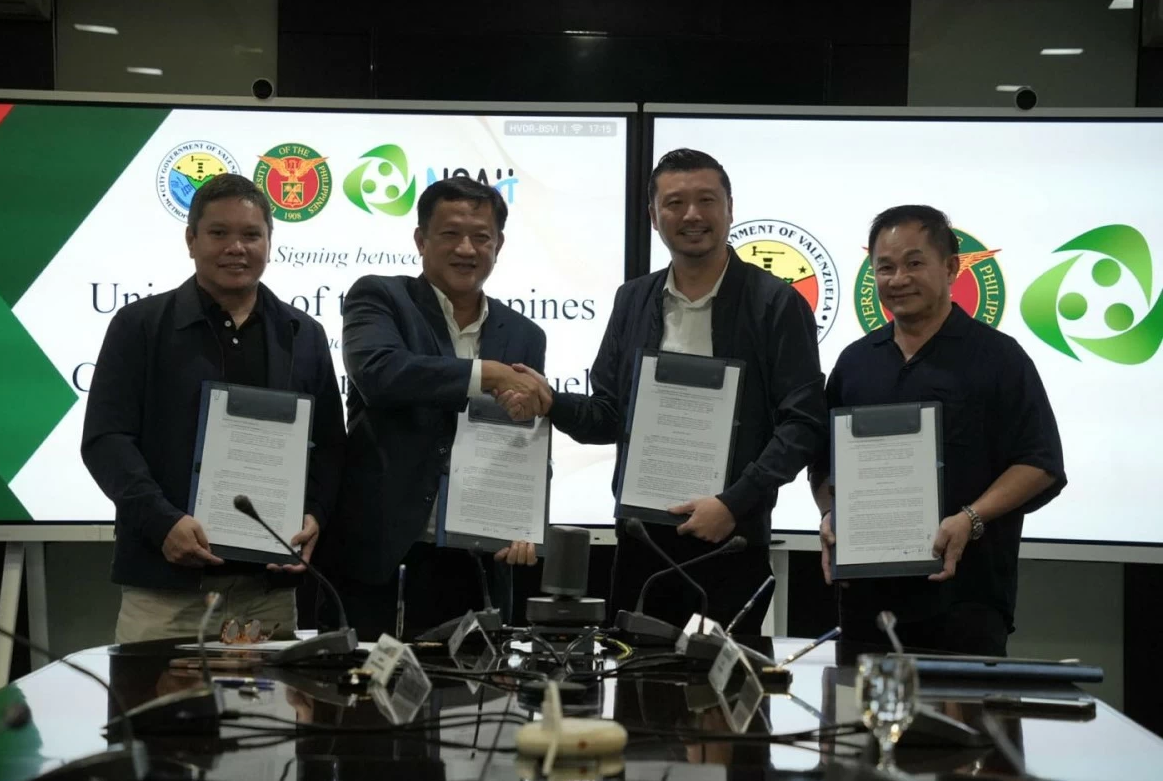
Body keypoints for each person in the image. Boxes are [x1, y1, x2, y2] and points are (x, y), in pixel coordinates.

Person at [500, 149, 828, 633]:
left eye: (706, 200)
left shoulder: (775, 304)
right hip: (642, 544)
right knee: (635, 693)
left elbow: (803, 423)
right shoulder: (633, 299)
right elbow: (610, 414)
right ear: (654, 216)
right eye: (675, 203)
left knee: (725, 701)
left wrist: (733, 503)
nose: (692, 215)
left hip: (731, 540)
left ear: (730, 208)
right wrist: (553, 401)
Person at [81, 174, 345, 643]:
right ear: (191, 240)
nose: (236, 248)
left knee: (266, 718)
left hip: (269, 592)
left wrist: (315, 516)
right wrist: (164, 522)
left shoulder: (303, 334)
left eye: (251, 235)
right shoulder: (140, 326)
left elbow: (328, 447)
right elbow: (106, 441)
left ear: (269, 242)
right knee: (156, 715)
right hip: (164, 592)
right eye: (218, 233)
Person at [810, 205, 1065, 657]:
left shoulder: (999, 358)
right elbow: (824, 466)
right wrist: (831, 516)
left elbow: (1039, 462)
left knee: (966, 729)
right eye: (884, 267)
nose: (898, 278)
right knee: (860, 726)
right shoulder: (854, 362)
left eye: (914, 263)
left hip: (965, 600)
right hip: (866, 604)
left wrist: (970, 519)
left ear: (950, 268)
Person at [329, 176, 545, 640]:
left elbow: (524, 438)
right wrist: (486, 374)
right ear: (421, 240)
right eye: (449, 234)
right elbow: (380, 375)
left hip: (479, 558)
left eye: (481, 237)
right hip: (386, 556)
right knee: (365, 703)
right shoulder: (380, 297)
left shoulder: (526, 335)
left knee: (474, 705)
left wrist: (526, 520)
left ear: (498, 245)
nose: (466, 248)